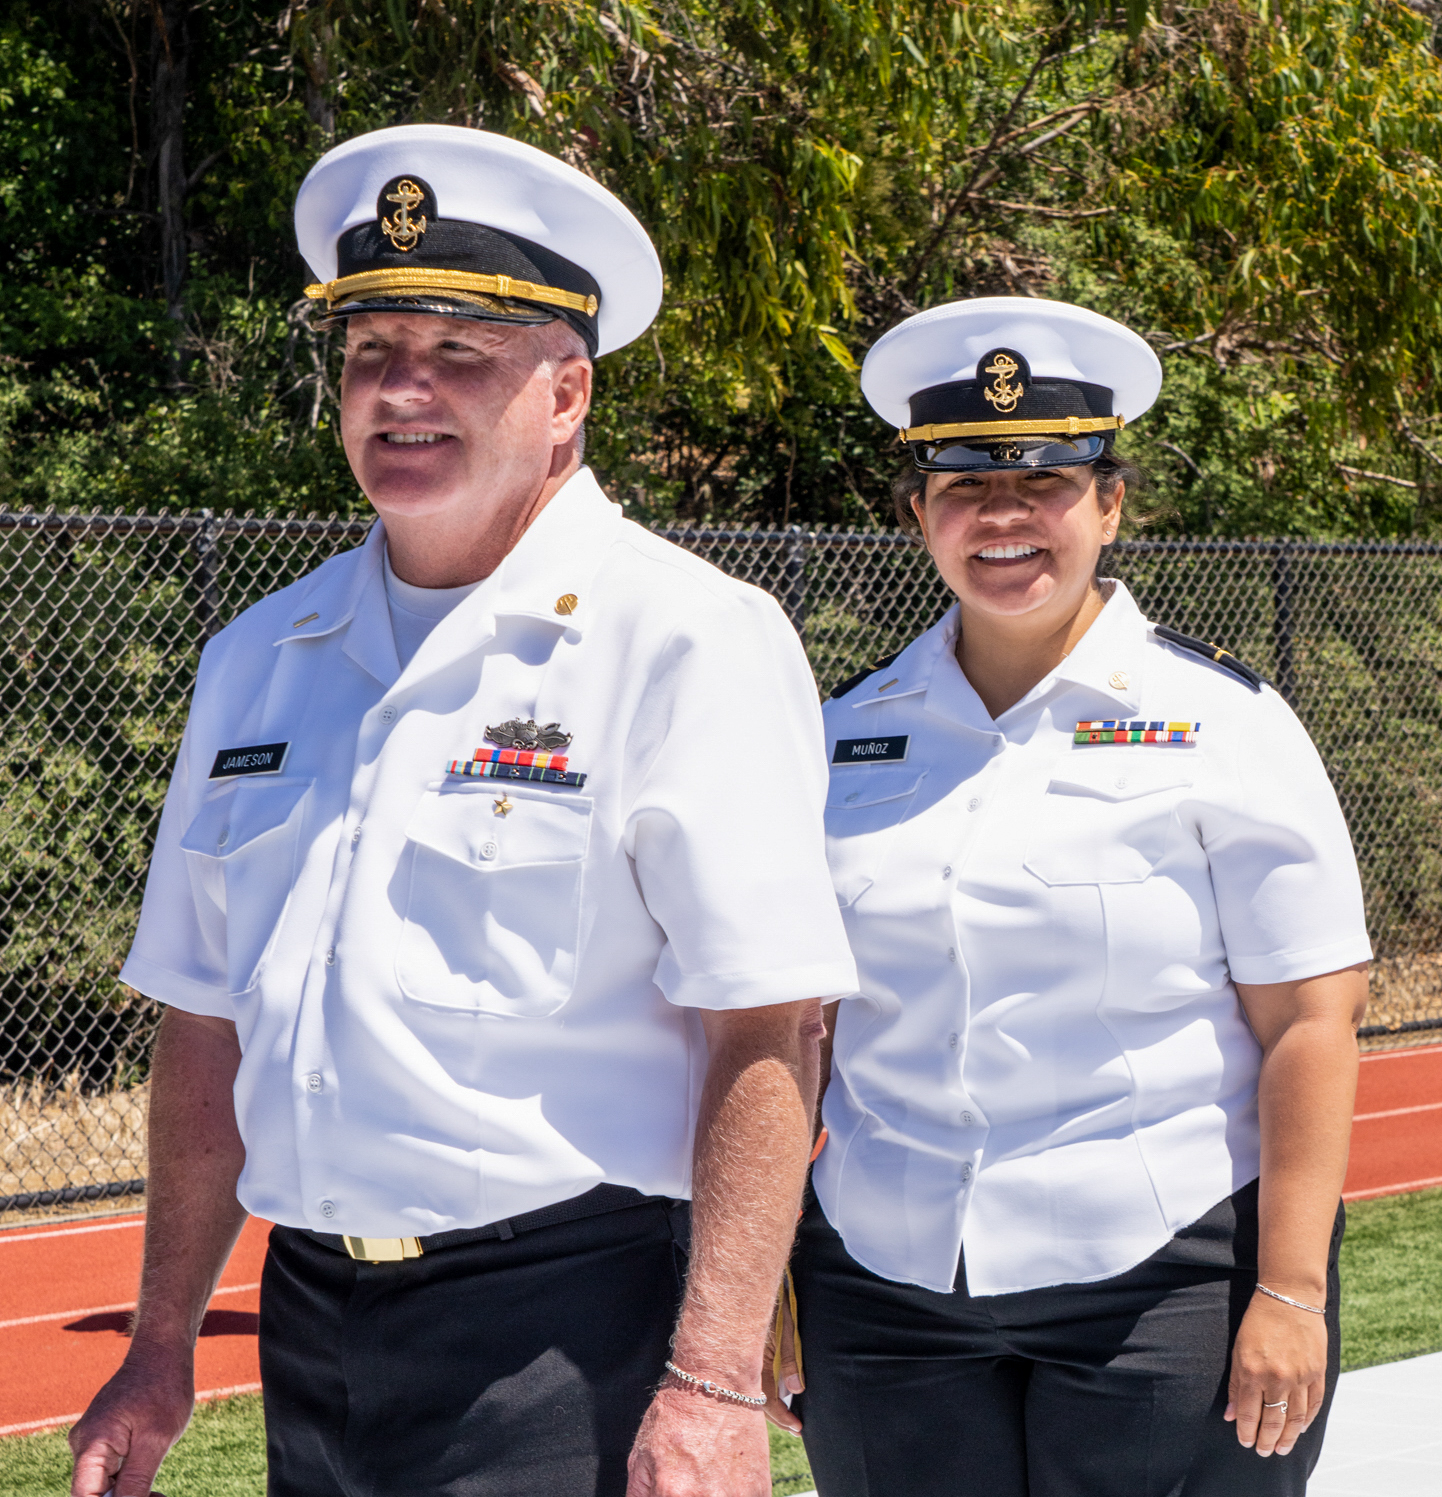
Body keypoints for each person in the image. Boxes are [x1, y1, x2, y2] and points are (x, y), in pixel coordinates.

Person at [68, 124, 856, 1497]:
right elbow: (205, 1021)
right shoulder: (262, 655)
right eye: (371, 353)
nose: (402, 390)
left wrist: (716, 1372)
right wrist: (157, 1340)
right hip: (311, 1327)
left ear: (566, 395)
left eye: (458, 354)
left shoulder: (684, 639)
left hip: (571, 1330)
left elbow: (769, 1022)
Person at [780, 297, 1373, 1497]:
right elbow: (790, 1029)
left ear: (1109, 502)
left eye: (1045, 477)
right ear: (917, 514)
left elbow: (1312, 1022)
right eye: (959, 484)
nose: (1002, 515)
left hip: (1158, 1285)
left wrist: (1291, 1291)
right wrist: (766, 1276)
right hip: (884, 1287)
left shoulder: (1226, 724)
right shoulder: (835, 738)